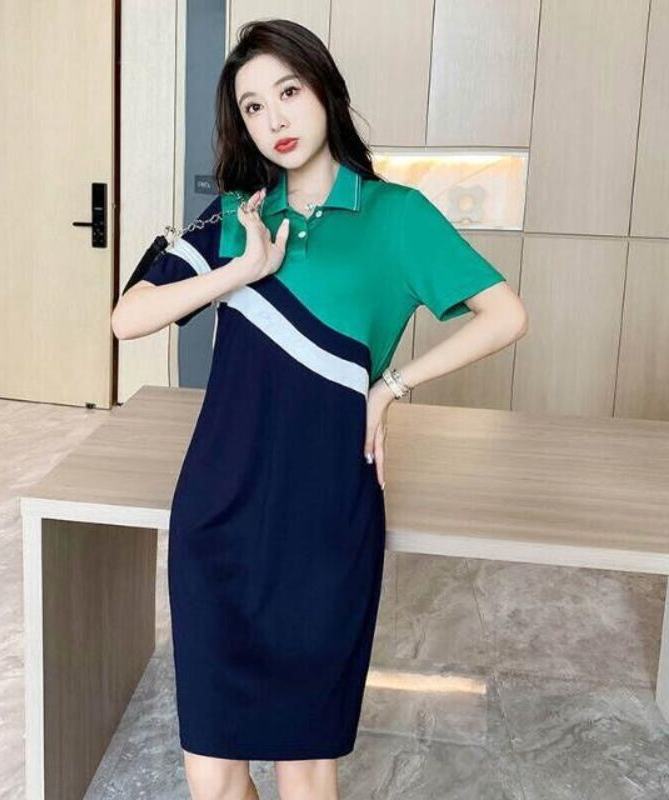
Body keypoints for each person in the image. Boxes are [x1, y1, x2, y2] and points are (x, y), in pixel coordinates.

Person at [111, 18, 528, 800]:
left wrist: (390, 386)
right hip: (216, 518)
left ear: (325, 92)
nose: (274, 118)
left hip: (323, 524)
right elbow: (127, 317)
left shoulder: (395, 215)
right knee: (211, 775)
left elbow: (505, 314)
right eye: (253, 106)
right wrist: (240, 271)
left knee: (305, 768)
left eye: (289, 91)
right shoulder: (236, 214)